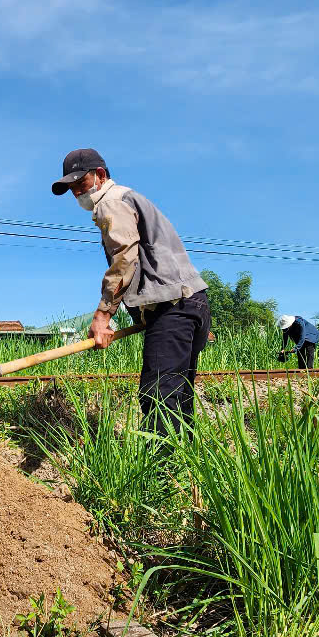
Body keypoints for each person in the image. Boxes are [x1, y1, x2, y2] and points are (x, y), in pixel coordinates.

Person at [51, 148, 210, 434]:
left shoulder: (111, 202)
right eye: (71, 189)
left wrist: (103, 316)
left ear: (100, 175)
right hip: (189, 303)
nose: (77, 193)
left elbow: (125, 257)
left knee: (159, 397)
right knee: (178, 398)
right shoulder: (129, 198)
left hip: (172, 308)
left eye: (80, 184)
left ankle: (161, 475)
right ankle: (184, 472)